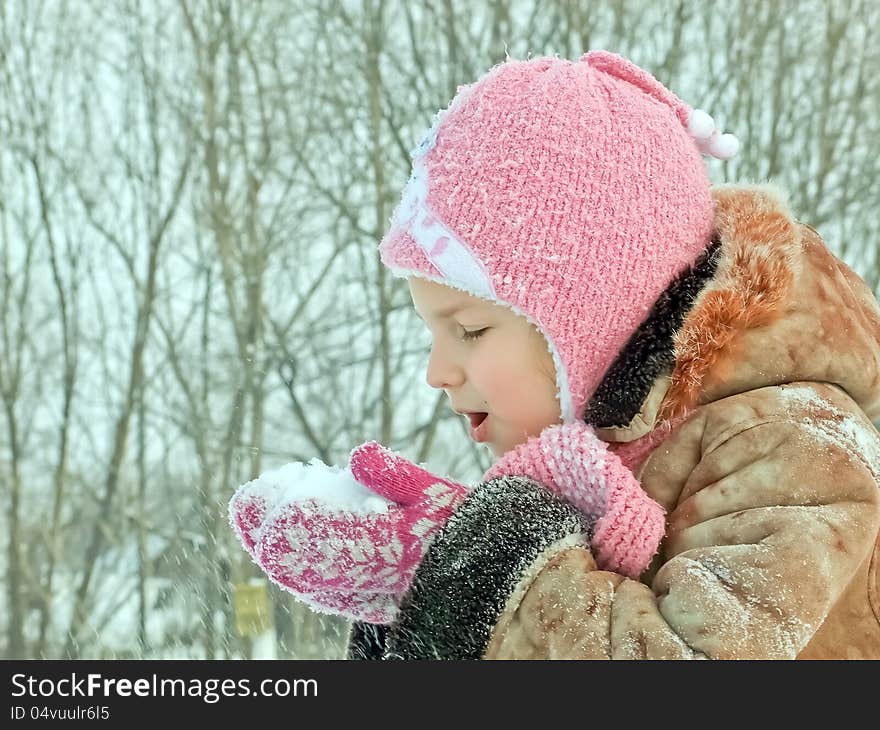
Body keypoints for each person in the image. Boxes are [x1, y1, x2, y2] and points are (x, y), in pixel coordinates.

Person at [229, 50, 880, 659]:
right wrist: (413, 613)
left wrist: (476, 568)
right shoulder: (596, 451)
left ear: (597, 320)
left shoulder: (796, 449)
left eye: (471, 330)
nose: (437, 372)